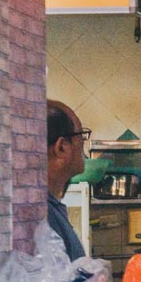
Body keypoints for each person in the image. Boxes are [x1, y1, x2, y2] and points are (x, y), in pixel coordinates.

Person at [47, 99, 88, 260]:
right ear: (62, 147)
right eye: (81, 138)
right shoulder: (42, 216)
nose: (83, 148)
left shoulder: (51, 208)